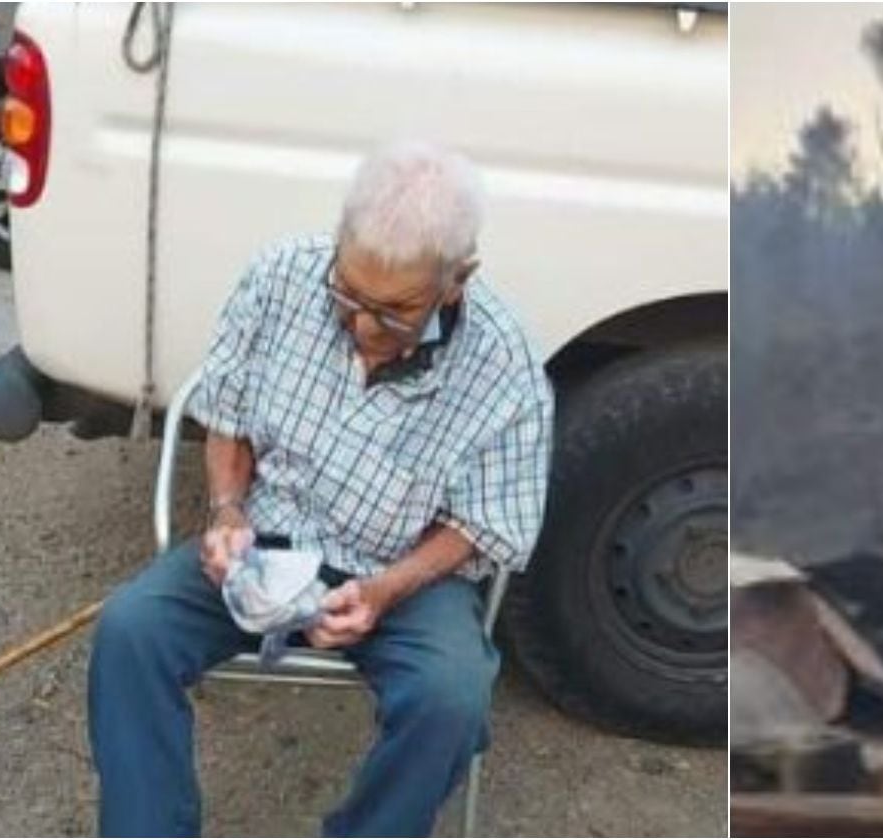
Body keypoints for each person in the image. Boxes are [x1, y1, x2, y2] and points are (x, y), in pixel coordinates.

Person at [87, 142, 554, 837]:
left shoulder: (504, 363)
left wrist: (384, 591)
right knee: (130, 632)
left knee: (450, 697)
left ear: (457, 280)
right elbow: (228, 415)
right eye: (349, 295)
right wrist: (227, 511)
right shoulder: (280, 277)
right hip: (264, 542)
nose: (364, 328)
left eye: (395, 311)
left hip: (400, 572)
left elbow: (484, 525)